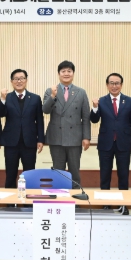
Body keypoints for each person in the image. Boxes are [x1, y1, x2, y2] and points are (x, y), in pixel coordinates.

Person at [43, 60, 91, 188]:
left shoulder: (81, 92)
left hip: (75, 138)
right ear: (59, 74)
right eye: (63, 71)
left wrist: (86, 137)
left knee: (74, 171)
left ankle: (75, 194)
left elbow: (86, 117)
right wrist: (52, 96)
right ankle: (59, 195)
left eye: (69, 71)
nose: (66, 73)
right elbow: (45, 110)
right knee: (58, 171)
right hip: (56, 137)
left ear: (73, 73)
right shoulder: (50, 90)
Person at [89, 73, 131, 193]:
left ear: (121, 85)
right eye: (111, 83)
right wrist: (95, 107)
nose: (114, 86)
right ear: (107, 85)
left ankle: (123, 200)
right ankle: (105, 200)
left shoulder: (130, 101)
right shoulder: (101, 101)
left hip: (124, 143)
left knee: (123, 174)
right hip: (105, 143)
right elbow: (94, 120)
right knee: (105, 174)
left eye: (117, 83)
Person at [0, 69, 45, 188]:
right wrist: (2, 99)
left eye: (22, 78)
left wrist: (40, 139)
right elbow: (0, 114)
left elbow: (39, 120)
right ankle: (10, 199)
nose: (19, 81)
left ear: (26, 80)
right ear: (11, 81)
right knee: (10, 173)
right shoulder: (7, 97)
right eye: (16, 79)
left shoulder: (35, 98)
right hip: (11, 142)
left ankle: (29, 197)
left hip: (29, 141)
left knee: (29, 173)